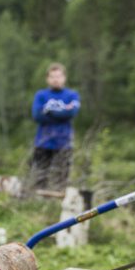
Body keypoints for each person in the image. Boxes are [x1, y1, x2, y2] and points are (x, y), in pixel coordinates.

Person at [29, 63, 80, 191]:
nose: (56, 79)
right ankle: (37, 203)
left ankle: (58, 204)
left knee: (62, 178)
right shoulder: (41, 95)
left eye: (58, 76)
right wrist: (61, 112)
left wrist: (49, 111)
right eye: (52, 77)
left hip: (64, 142)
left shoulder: (72, 95)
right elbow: (37, 116)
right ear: (47, 79)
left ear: (64, 78)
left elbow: (71, 113)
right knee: (39, 176)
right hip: (43, 142)